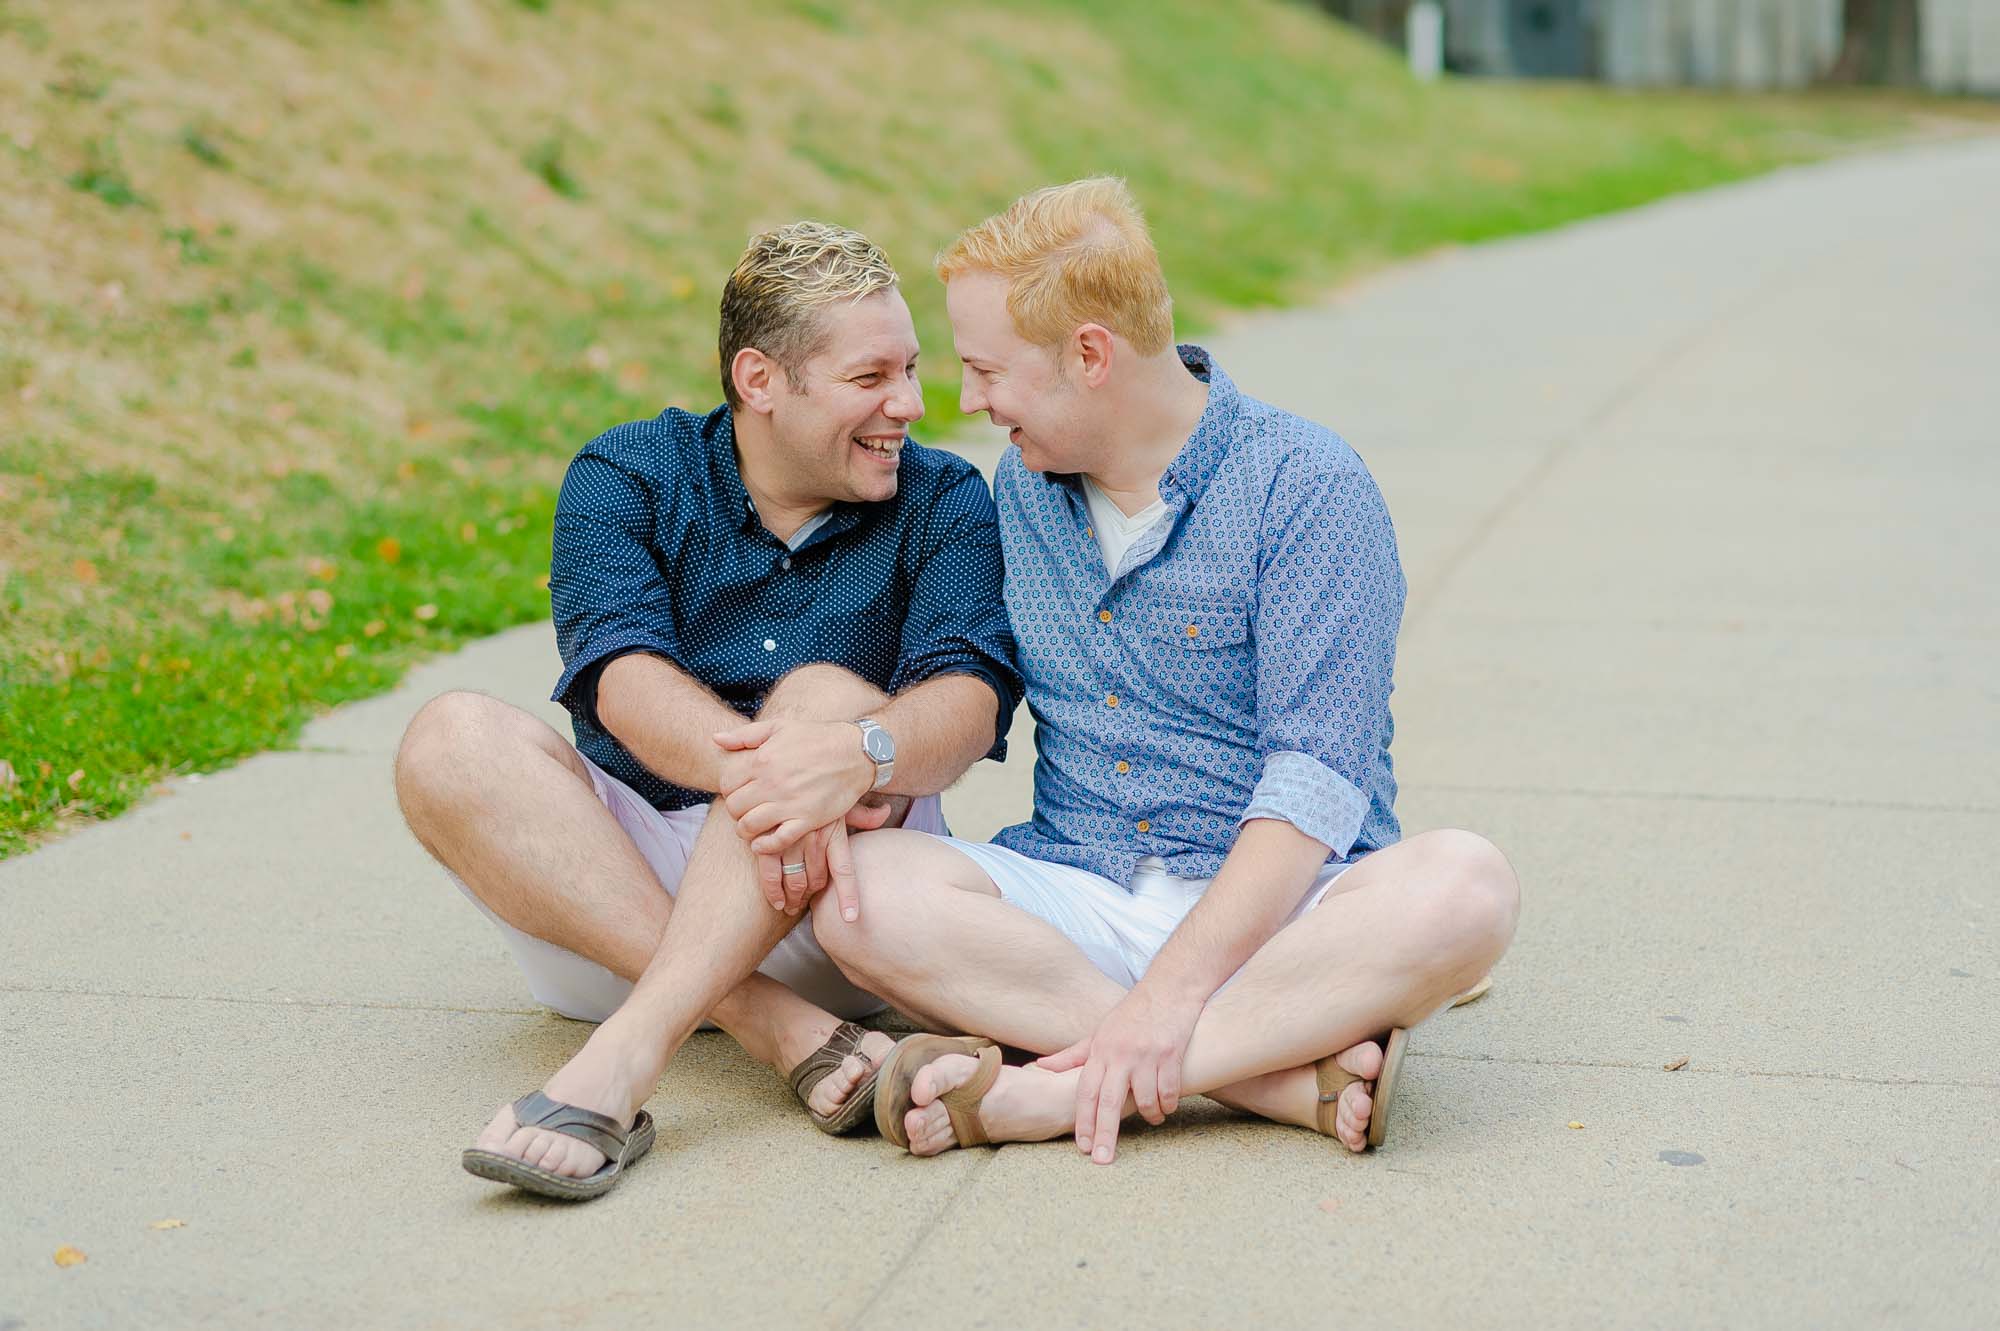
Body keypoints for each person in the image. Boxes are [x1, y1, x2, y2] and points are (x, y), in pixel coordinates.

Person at [811, 178, 1520, 1163]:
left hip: (1282, 912)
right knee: (859, 892)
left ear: (1088, 355)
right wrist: (867, 769)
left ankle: (1046, 1095)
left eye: (985, 369)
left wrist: (1174, 987)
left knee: (1465, 886)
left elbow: (1317, 778)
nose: (966, 401)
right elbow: (964, 678)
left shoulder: (1303, 484)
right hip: (1079, 892)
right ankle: (1265, 1076)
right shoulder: (1020, 484)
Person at [393, 221, 1021, 1199]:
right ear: (760, 379)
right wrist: (764, 774)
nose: (910, 404)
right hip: (606, 908)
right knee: (448, 733)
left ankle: (622, 1061)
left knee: (820, 698)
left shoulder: (943, 498)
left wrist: (848, 753)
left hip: (842, 901)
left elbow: (970, 702)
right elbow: (619, 675)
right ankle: (776, 1027)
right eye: (871, 378)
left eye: (910, 369)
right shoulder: (627, 475)